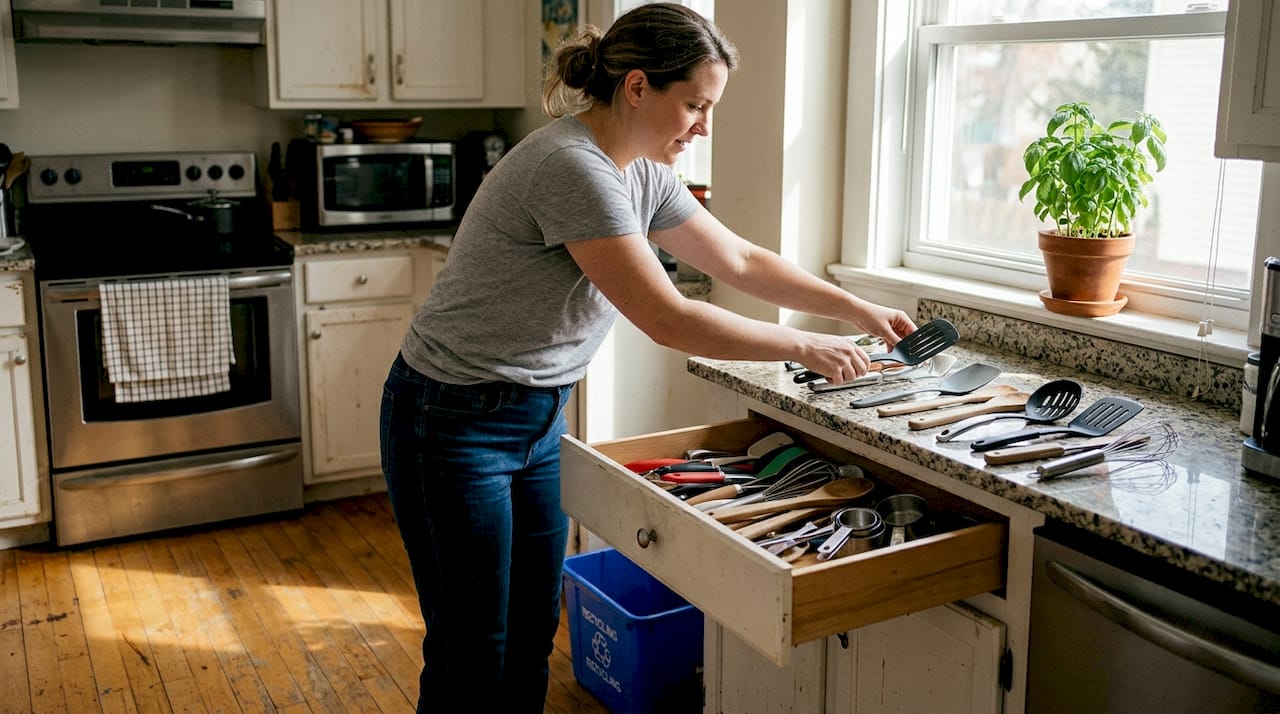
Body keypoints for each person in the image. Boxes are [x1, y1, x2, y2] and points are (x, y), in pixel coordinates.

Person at [379, 3, 917, 711]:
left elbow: (739, 259)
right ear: (637, 87)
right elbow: (669, 318)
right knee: (474, 648)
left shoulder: (642, 172)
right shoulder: (572, 167)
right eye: (694, 105)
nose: (703, 127)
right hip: (450, 420)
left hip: (537, 419)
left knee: (534, 631)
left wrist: (853, 307)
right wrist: (807, 345)